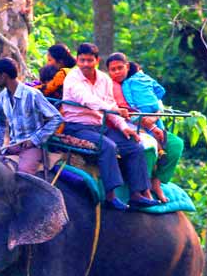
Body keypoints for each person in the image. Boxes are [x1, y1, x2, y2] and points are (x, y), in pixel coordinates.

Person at [61, 43, 158, 211]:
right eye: (82, 60)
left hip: (99, 125)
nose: (85, 64)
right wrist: (114, 110)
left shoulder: (104, 79)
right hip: (77, 126)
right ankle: (110, 196)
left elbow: (110, 105)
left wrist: (123, 127)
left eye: (89, 60)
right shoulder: (72, 78)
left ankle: (136, 194)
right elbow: (87, 100)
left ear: (97, 61)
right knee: (108, 147)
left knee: (134, 144)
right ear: (77, 60)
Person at [106, 52, 185, 203]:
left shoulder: (139, 80)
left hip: (151, 122)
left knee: (176, 145)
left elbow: (158, 99)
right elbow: (126, 111)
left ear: (127, 66)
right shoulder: (113, 87)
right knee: (148, 147)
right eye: (113, 69)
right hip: (129, 125)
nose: (117, 72)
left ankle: (157, 181)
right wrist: (152, 126)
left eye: (120, 68)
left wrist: (155, 118)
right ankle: (144, 187)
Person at [0, 57, 63, 174]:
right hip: (12, 146)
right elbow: (0, 123)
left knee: (23, 175)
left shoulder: (32, 94)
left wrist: (35, 139)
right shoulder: (3, 96)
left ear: (4, 76)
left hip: (32, 148)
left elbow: (57, 118)